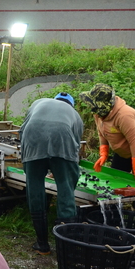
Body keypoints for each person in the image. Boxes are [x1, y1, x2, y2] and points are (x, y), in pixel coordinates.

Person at [19, 92, 84, 254]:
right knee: (66, 189)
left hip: (32, 137)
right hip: (63, 139)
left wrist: (29, 159)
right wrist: (63, 172)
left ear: (54, 100)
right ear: (71, 105)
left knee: (34, 188)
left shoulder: (38, 102)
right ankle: (66, 248)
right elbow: (75, 150)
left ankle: (42, 244)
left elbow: (22, 131)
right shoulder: (75, 115)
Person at [79, 83, 135, 185]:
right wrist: (104, 153)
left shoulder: (124, 115)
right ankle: (118, 200)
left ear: (103, 105)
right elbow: (101, 132)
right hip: (123, 150)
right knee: (115, 179)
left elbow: (134, 141)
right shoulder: (98, 113)